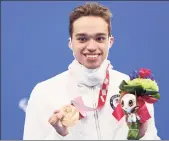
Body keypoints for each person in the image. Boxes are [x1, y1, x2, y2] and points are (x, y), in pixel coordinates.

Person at [23, 2, 160, 140]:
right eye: (82, 39)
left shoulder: (133, 89)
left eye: (99, 38)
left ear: (110, 41)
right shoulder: (44, 92)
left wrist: (140, 136)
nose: (92, 47)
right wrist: (60, 135)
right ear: (70, 42)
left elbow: (151, 137)